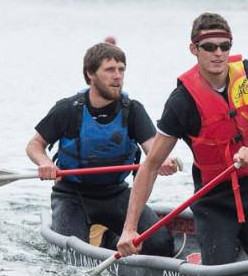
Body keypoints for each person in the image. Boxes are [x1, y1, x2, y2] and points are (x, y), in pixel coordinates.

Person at [117, 12, 248, 265]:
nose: (218, 53)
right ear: (194, 49)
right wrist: (130, 229)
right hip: (214, 205)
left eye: (224, 46)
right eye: (209, 47)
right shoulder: (181, 102)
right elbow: (151, 165)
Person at [26, 42, 180, 256]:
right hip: (72, 195)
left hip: (115, 193)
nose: (117, 76)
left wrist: (162, 160)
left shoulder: (133, 110)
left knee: (161, 245)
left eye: (121, 69)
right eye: (109, 70)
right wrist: (45, 163)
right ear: (91, 73)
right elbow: (35, 145)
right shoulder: (67, 110)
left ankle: (109, 239)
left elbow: (153, 151)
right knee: (73, 255)